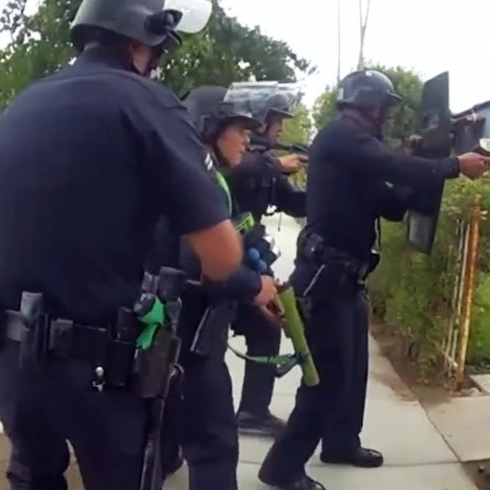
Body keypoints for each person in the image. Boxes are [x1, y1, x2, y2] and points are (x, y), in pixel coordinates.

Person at [0, 1, 245, 489]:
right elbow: (223, 258)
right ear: (141, 41)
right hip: (95, 365)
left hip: (8, 352)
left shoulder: (24, 103)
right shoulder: (147, 101)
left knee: (33, 474)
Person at [257, 69, 490, 490]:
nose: (387, 117)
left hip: (345, 278)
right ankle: (281, 468)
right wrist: (454, 164)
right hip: (325, 278)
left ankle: (340, 443)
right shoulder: (340, 136)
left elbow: (391, 205)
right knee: (326, 379)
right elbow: (390, 166)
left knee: (351, 372)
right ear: (371, 105)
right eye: (385, 109)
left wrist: (428, 163)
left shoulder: (356, 152)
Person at [150, 85, 280, 490]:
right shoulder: (194, 178)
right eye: (239, 129)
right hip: (190, 337)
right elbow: (200, 267)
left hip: (172, 334)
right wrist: (252, 286)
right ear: (210, 128)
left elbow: (235, 231)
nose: (247, 138)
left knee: (163, 437)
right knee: (213, 446)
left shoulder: (200, 175)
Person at [222, 83, 307, 437]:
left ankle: (254, 411)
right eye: (276, 121)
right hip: (214, 263)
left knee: (267, 326)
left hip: (247, 262)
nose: (281, 129)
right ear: (258, 120)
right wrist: (275, 166)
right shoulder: (231, 156)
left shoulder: (264, 164)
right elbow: (233, 172)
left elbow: (297, 204)